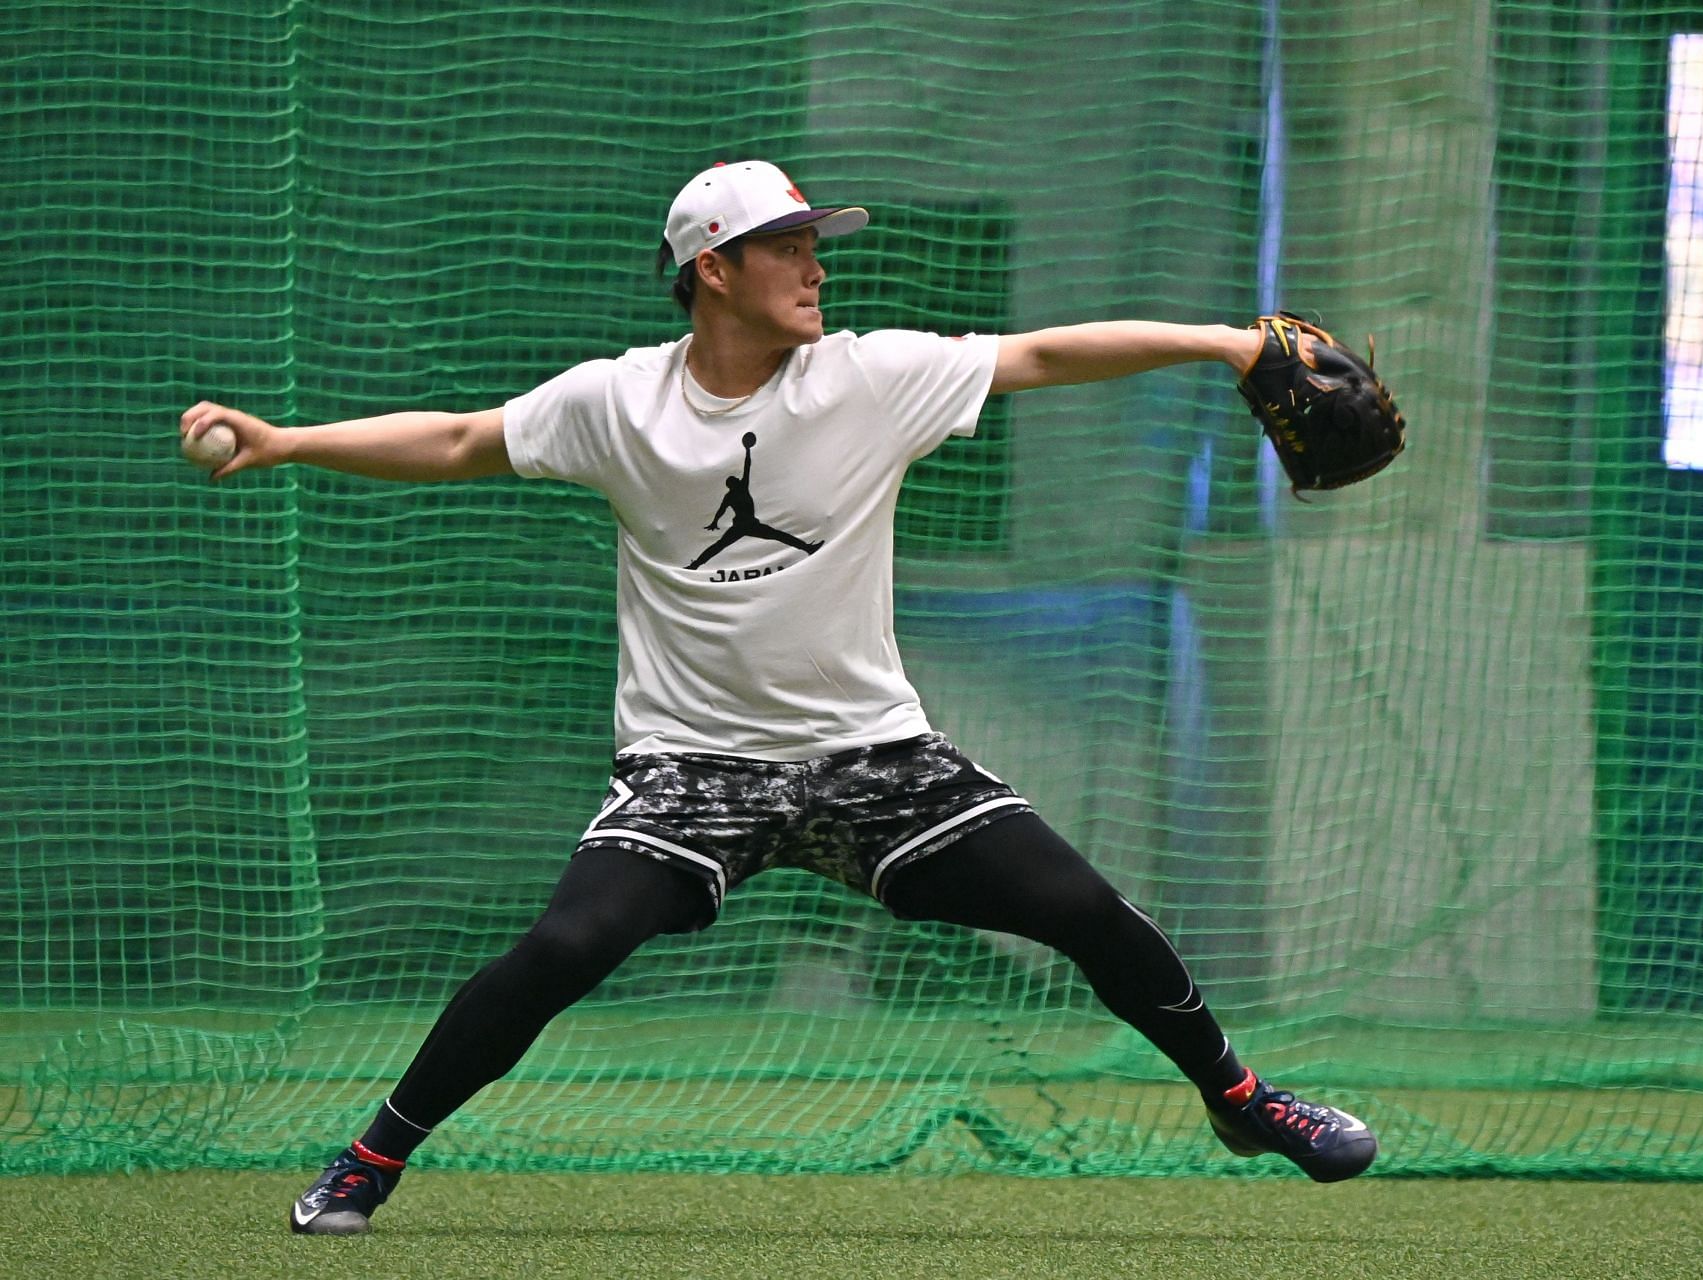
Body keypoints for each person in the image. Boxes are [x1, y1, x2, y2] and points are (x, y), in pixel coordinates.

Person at [180, 159, 1377, 1236]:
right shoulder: (617, 402)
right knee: (565, 943)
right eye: (789, 245)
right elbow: (454, 440)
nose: (815, 266)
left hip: (876, 760)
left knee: (1085, 906)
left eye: (818, 243)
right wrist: (284, 442)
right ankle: (369, 1158)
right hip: (692, 770)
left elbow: (1046, 353)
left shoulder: (870, 376)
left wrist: (1226, 342)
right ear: (715, 266)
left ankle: (1240, 1097)